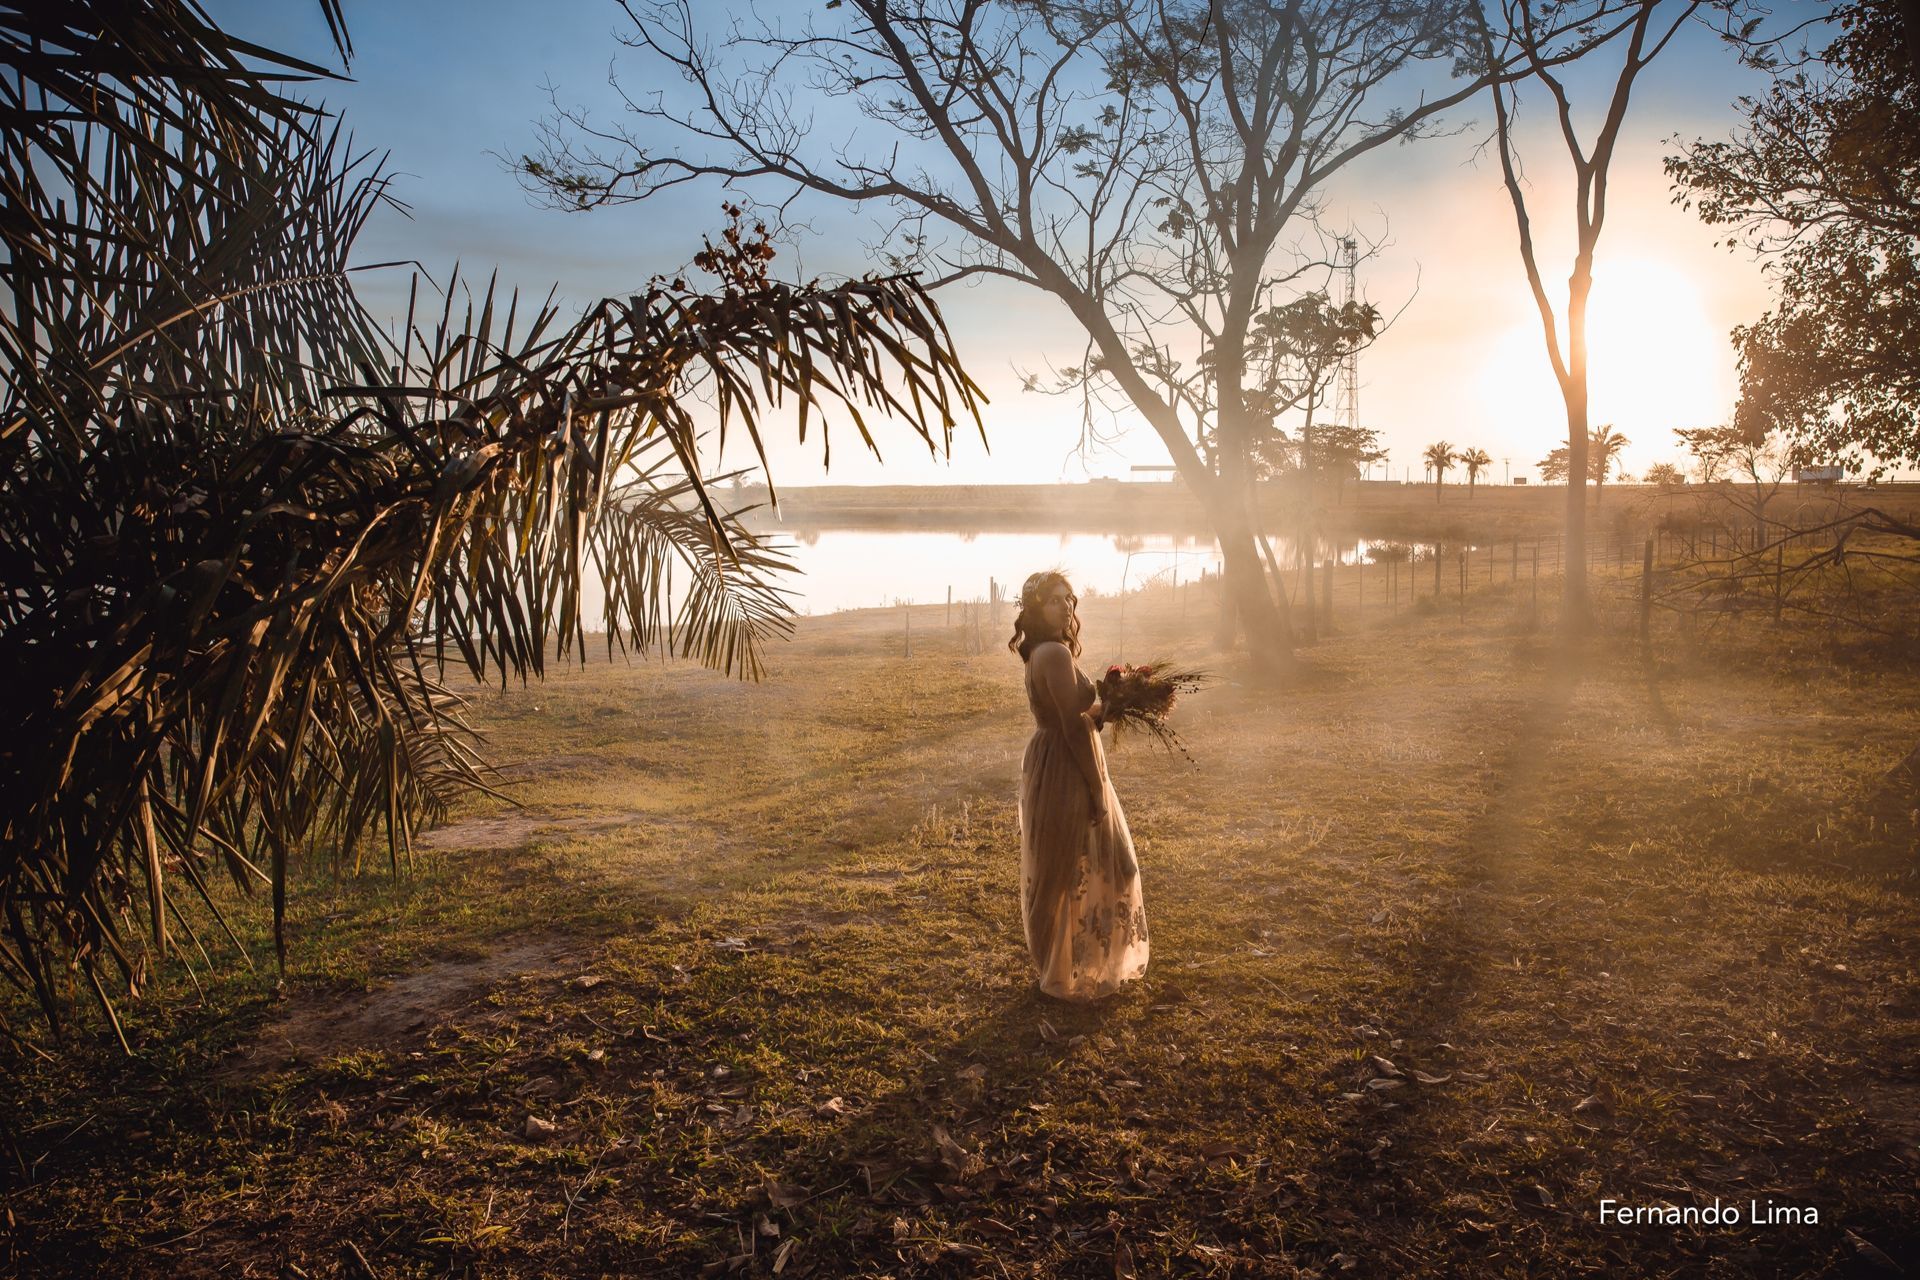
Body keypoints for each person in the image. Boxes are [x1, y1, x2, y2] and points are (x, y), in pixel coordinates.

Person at [1008, 570, 1149, 1000]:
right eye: (1055, 600)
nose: (1066, 607)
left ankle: (1075, 961)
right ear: (1035, 607)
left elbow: (1079, 715)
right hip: (1067, 763)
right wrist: (1094, 787)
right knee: (1096, 861)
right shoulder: (1052, 653)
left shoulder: (1044, 651)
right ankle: (1071, 966)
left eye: (1069, 599)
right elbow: (1071, 727)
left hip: (1054, 756)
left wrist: (1113, 704)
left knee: (1070, 860)